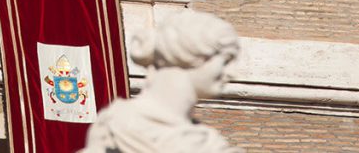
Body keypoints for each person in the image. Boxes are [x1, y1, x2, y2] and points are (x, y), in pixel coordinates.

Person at [80, 10, 243, 153]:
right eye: (226, 61)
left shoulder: (209, 142)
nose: (232, 74)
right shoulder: (117, 129)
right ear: (188, 53)